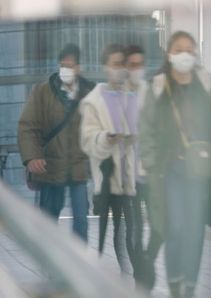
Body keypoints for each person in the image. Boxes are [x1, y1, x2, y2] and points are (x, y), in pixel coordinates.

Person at [139, 31, 211, 298]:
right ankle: (175, 283)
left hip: (199, 172)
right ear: (169, 54)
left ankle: (189, 287)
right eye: (179, 49)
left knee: (194, 232)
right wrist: (150, 161)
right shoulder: (158, 85)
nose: (185, 55)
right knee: (176, 228)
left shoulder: (205, 82)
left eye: (190, 50)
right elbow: (146, 130)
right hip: (169, 171)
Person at [18, 43, 95, 242]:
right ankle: (51, 264)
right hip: (50, 167)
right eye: (62, 65)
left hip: (78, 167)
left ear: (78, 68)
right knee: (49, 220)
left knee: (81, 220)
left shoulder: (90, 92)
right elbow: (28, 125)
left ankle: (78, 266)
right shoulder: (43, 92)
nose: (65, 70)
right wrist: (32, 156)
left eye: (69, 66)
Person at [79, 44, 140, 276]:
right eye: (115, 64)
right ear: (106, 67)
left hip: (128, 176)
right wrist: (107, 138)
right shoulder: (93, 101)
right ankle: (101, 271)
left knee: (130, 227)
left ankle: (133, 271)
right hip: (106, 176)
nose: (120, 69)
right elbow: (88, 140)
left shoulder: (132, 98)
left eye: (122, 65)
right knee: (107, 226)